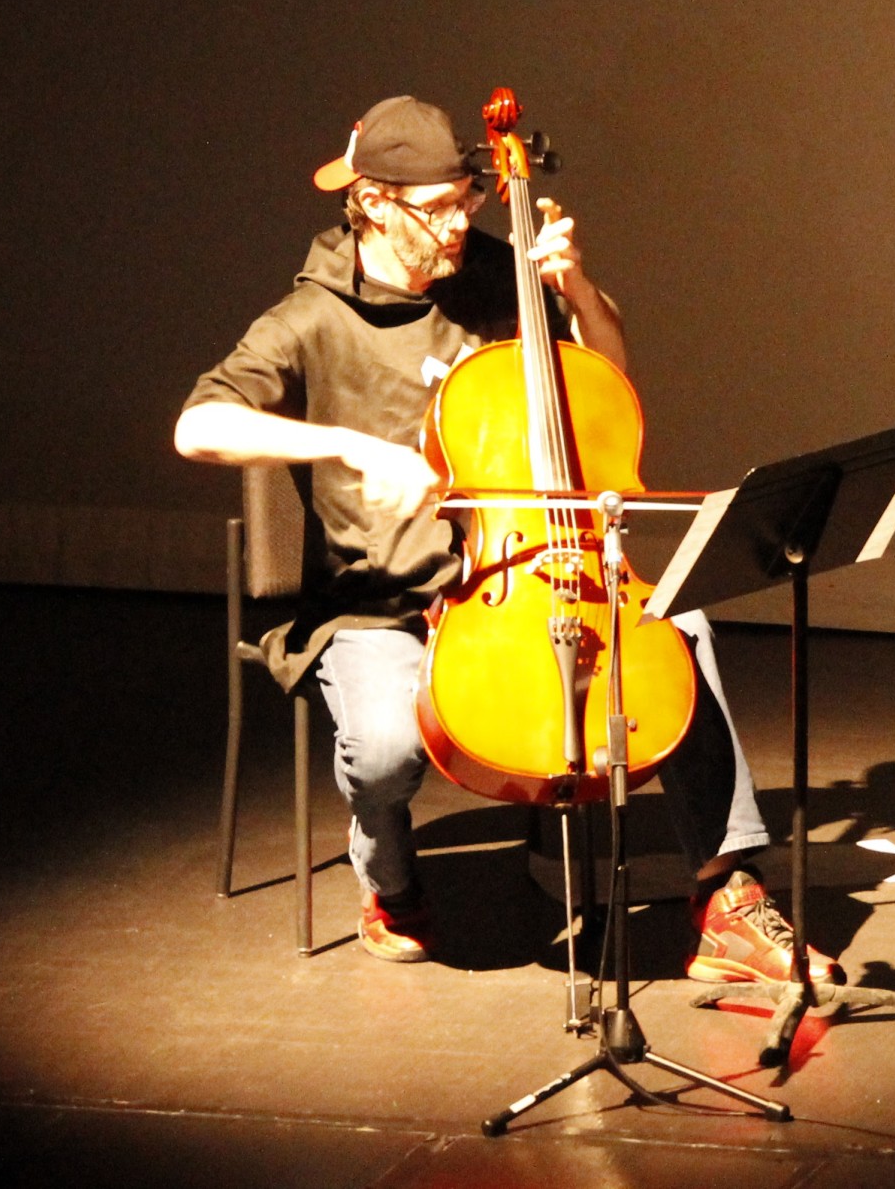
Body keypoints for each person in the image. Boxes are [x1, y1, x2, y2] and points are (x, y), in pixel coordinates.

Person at [175, 95, 834, 984]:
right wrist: (349, 445)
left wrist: (576, 289)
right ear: (371, 202)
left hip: (515, 570)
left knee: (677, 631)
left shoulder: (493, 274)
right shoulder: (309, 318)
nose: (458, 224)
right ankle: (388, 878)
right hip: (382, 600)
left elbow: (604, 376)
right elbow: (198, 427)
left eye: (467, 200)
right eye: (436, 208)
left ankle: (726, 897)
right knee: (386, 746)